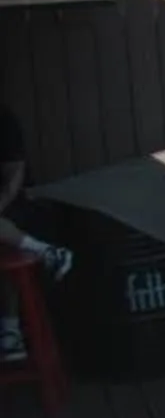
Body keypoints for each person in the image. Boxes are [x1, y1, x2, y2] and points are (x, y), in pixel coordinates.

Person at [0, 96, 75, 363]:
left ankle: (9, 330)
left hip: (14, 205)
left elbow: (14, 177)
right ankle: (48, 252)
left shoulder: (3, 118)